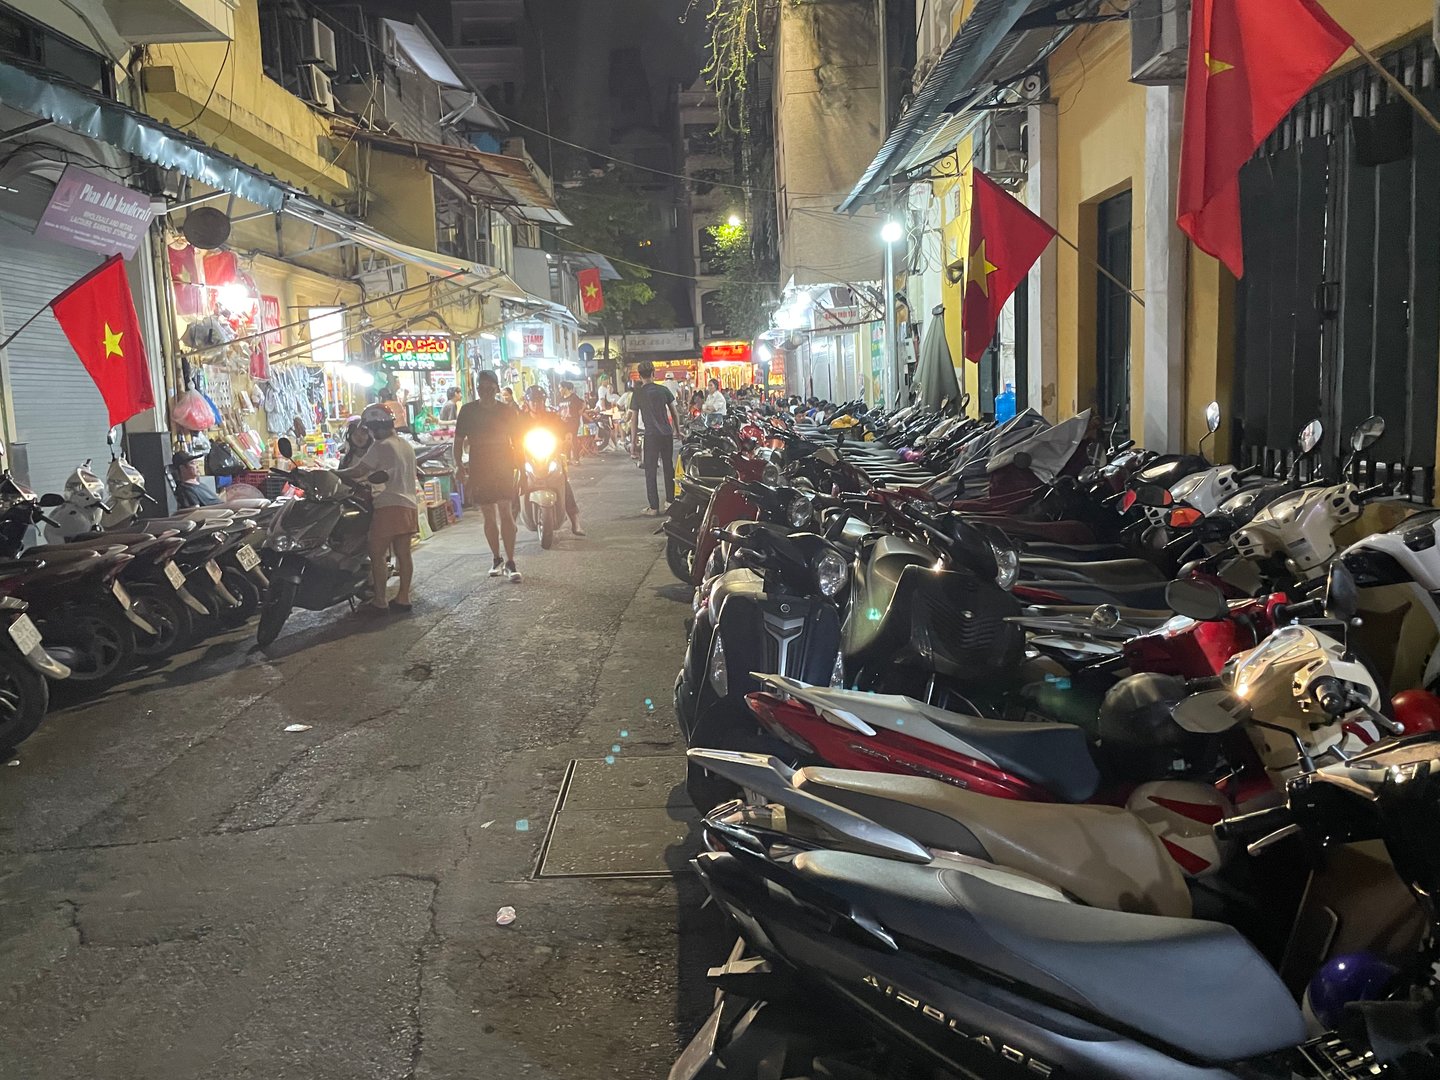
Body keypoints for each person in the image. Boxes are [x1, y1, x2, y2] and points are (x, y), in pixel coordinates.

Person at [340, 403, 419, 615]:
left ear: (375, 427)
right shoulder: (405, 445)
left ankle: (380, 600)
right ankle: (403, 597)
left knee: (377, 553)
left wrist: (335, 474)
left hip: (388, 505)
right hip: (408, 504)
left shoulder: (381, 446)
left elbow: (359, 471)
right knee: (403, 554)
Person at [454, 370, 523, 582]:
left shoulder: (507, 411)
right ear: (477, 389)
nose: (485, 392)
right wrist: (459, 466)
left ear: (496, 388)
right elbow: (457, 442)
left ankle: (511, 562)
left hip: (503, 464)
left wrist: (522, 467)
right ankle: (496, 558)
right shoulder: (467, 411)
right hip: (479, 466)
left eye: (489, 387)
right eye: (481, 388)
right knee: (488, 514)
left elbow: (518, 441)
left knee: (505, 511)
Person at [521, 385, 586, 535]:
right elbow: (512, 434)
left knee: (563, 481)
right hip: (528, 458)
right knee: (516, 484)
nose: (537, 405)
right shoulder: (521, 420)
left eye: (540, 401)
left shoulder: (552, 417)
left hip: (550, 456)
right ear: (528, 403)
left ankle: (575, 522)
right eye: (534, 402)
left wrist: (568, 436)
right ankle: (508, 524)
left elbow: (564, 429)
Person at [630, 359, 682, 516]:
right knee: (668, 467)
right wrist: (677, 430)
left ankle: (653, 507)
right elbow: (674, 412)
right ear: (653, 373)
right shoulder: (663, 390)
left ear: (640, 376)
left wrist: (633, 442)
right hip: (666, 434)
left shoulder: (637, 393)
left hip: (651, 435)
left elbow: (633, 418)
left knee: (650, 470)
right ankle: (670, 502)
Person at [557, 380, 585, 463]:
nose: (559, 390)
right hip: (563, 422)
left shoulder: (574, 397)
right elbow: (559, 409)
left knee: (573, 439)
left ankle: (576, 458)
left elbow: (583, 404)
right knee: (565, 440)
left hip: (573, 421)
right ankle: (568, 458)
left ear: (565, 388)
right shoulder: (560, 399)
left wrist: (580, 412)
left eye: (560, 388)